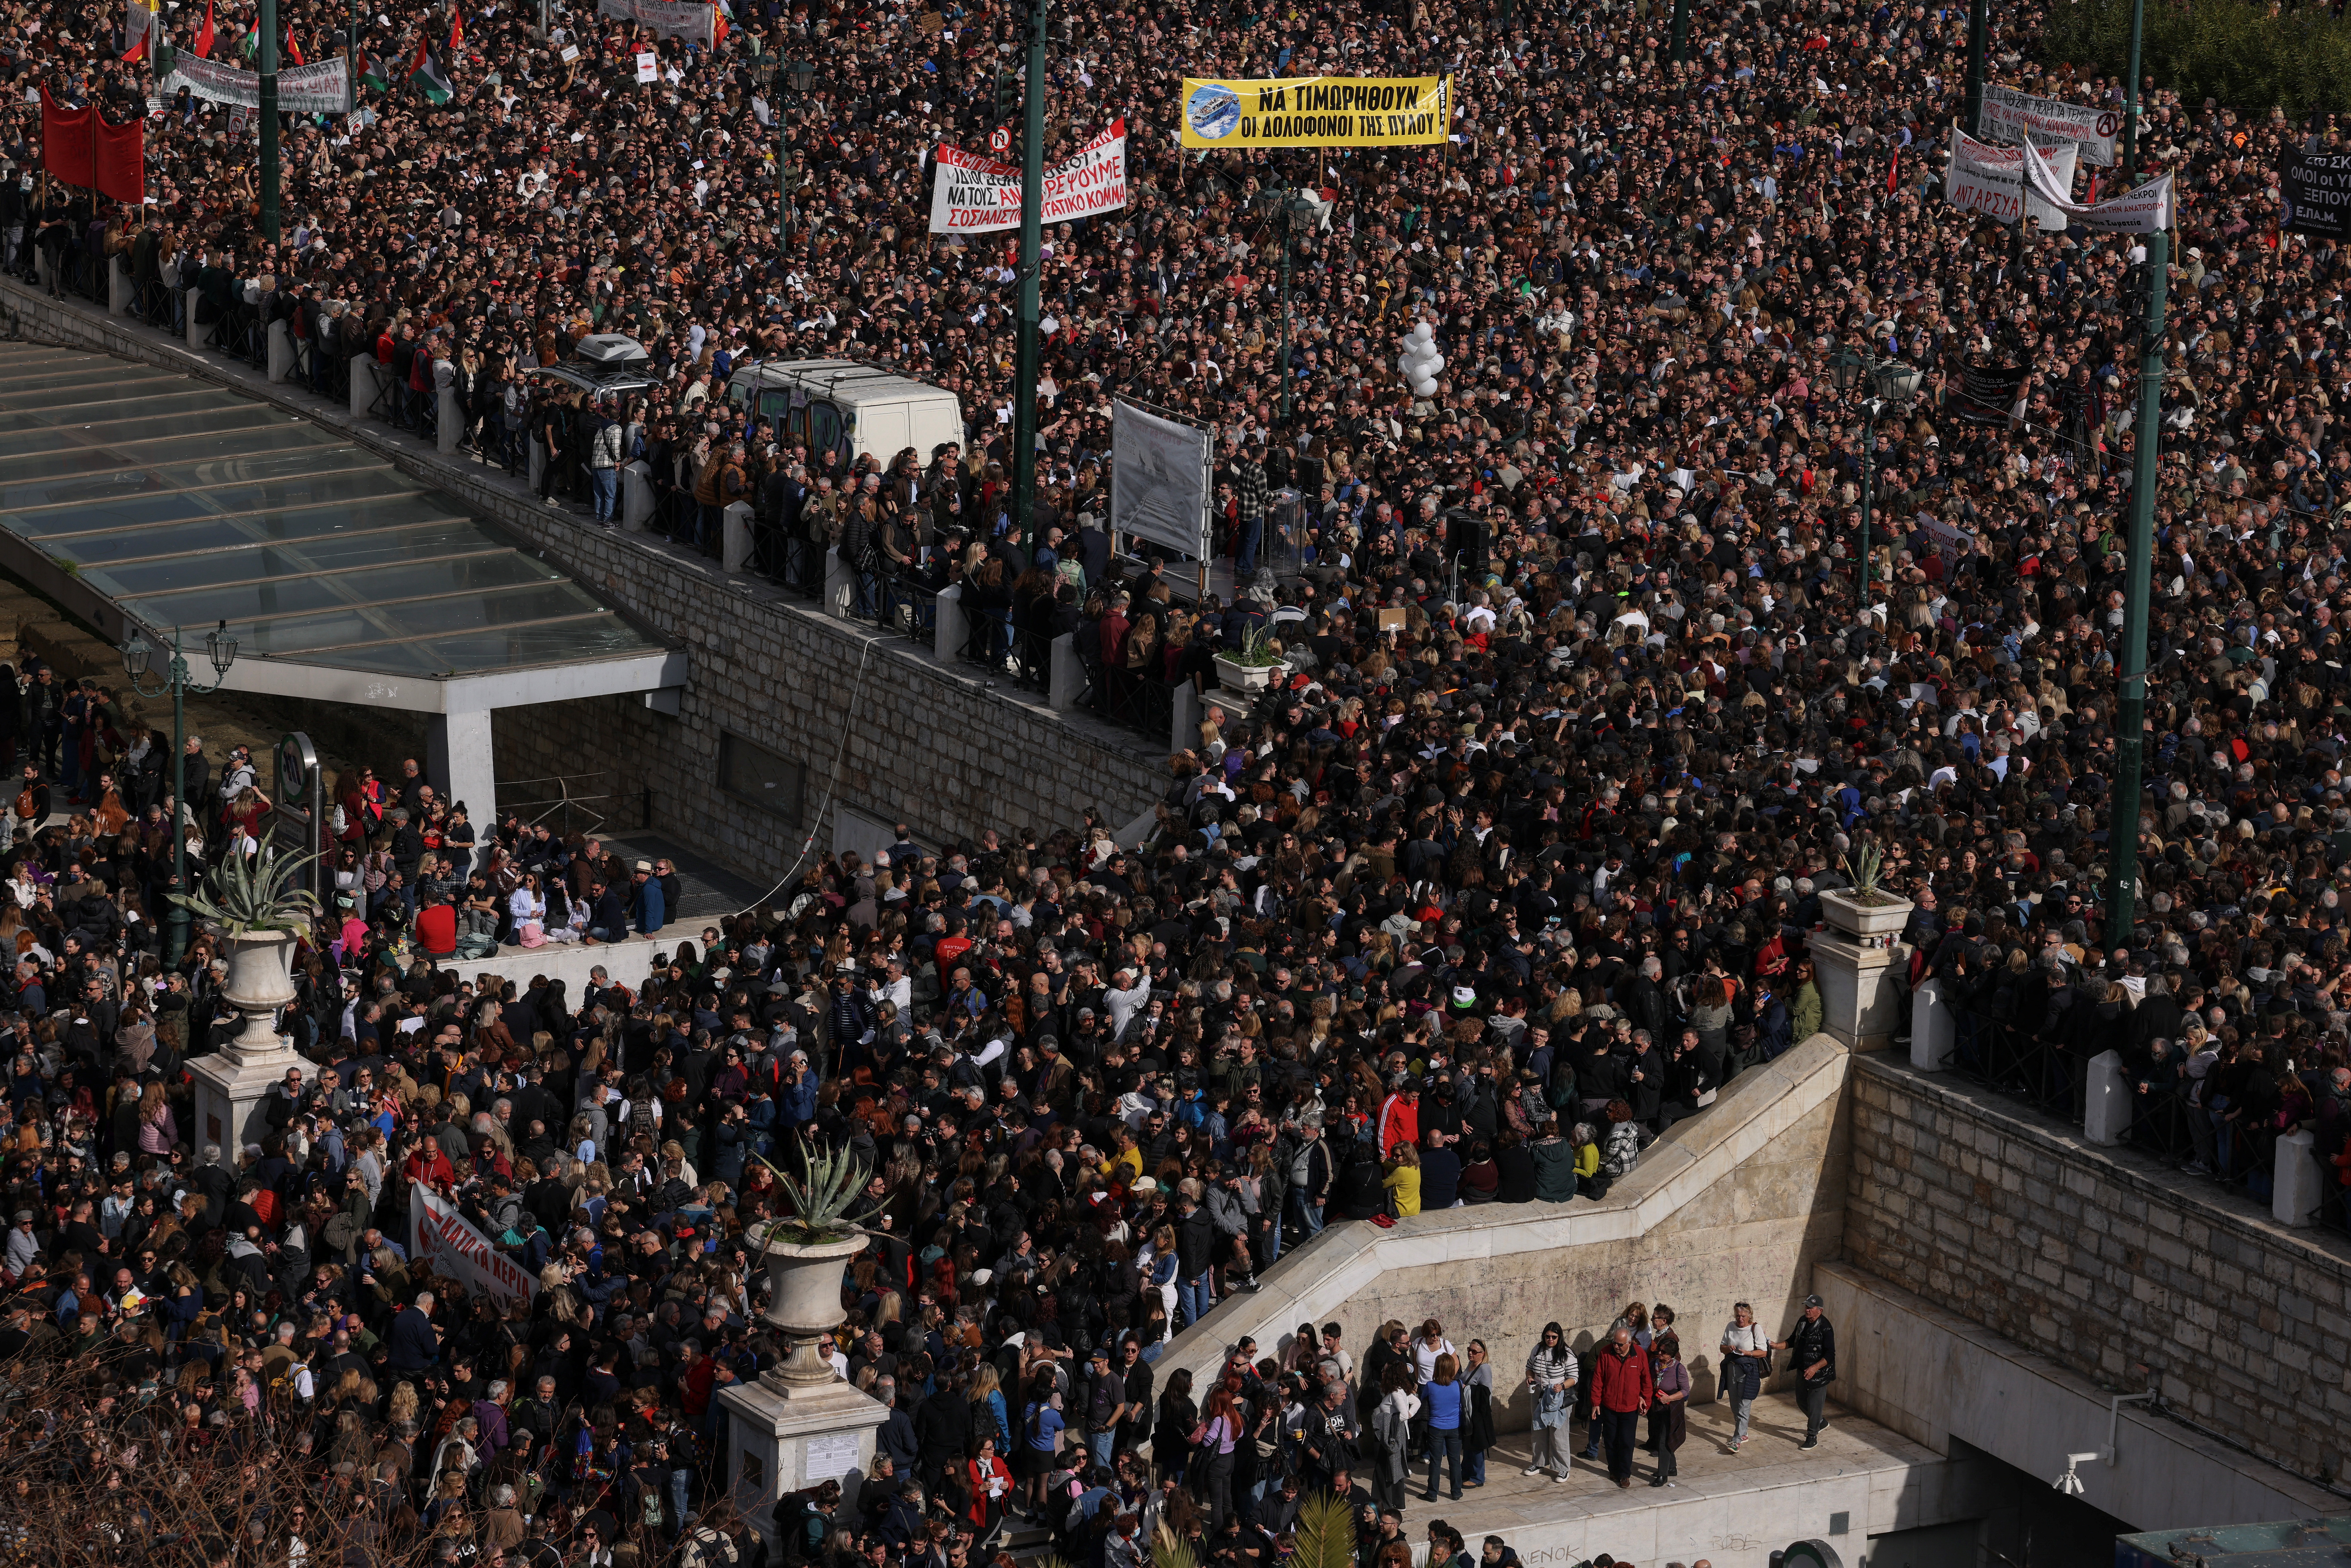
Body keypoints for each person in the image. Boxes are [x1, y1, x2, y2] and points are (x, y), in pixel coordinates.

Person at [1588, 1324, 1653, 1489]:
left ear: (1629, 1344)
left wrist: (1646, 1401)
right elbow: (1598, 1380)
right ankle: (1614, 1470)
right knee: (1610, 1441)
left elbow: (1646, 1380)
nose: (1616, 1347)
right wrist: (1596, 1402)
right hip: (1609, 1406)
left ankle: (1625, 1474)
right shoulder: (1605, 1353)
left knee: (1626, 1442)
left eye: (1620, 1344)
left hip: (1630, 1408)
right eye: (1615, 1343)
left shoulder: (1640, 1355)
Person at [1773, 1295, 1838, 1450]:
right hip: (1803, 1369)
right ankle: (1821, 1422)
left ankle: (1812, 1437)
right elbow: (1792, 1340)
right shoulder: (1803, 1321)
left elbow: (1830, 1355)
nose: (1807, 1310)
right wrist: (1777, 1346)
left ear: (1820, 1311)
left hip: (1820, 1374)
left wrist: (1815, 1367)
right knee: (1801, 1401)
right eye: (1806, 1307)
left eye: (1811, 1307)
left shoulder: (1826, 1328)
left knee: (1815, 1406)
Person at [1522, 1323, 1576, 1483]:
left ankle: (1563, 1468)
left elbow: (1574, 1377)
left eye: (1554, 1337)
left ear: (1559, 1337)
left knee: (1558, 1432)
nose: (1550, 1340)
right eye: (1547, 1336)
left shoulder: (1567, 1354)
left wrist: (1562, 1386)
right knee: (1538, 1429)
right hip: (1539, 1394)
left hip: (1558, 1396)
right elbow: (1529, 1367)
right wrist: (1530, 1377)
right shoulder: (1537, 1350)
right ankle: (1538, 1464)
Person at [1719, 1303, 1769, 1453]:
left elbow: (1763, 1352)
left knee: (1744, 1406)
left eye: (1743, 1316)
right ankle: (1744, 1432)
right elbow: (1722, 1347)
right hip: (1732, 1368)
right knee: (1735, 1404)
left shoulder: (1755, 1328)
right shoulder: (1731, 1326)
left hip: (1749, 1370)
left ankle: (1737, 1440)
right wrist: (1729, 1349)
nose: (1740, 1319)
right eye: (1738, 1316)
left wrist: (1748, 1353)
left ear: (1749, 1317)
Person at [1419, 1351, 1464, 1503]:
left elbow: (1423, 1401)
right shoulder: (1458, 1385)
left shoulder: (1430, 1386)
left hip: (1436, 1427)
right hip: (1455, 1427)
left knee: (1436, 1461)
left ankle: (1432, 1493)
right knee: (1455, 1461)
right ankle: (1456, 1492)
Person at [1647, 1339, 1690, 1488]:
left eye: (1663, 1352)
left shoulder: (1679, 1369)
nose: (1659, 1353)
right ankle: (1672, 1468)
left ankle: (1662, 1475)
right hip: (1656, 1406)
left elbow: (1685, 1391)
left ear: (1671, 1355)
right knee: (1660, 1436)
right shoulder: (1654, 1365)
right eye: (1659, 1350)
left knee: (1664, 1441)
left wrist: (1669, 1398)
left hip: (1671, 1408)